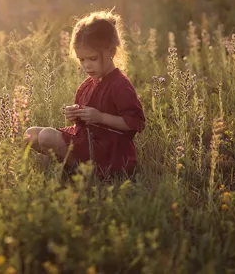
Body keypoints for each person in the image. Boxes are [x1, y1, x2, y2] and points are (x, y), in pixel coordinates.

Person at [24, 9, 146, 179]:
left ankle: (88, 174)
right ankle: (62, 168)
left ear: (111, 52)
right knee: (31, 134)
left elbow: (136, 123)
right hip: (87, 140)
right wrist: (76, 115)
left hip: (108, 150)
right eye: (82, 60)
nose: (87, 65)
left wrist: (101, 117)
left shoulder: (120, 85)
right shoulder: (88, 84)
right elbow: (84, 124)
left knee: (46, 136)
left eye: (93, 59)